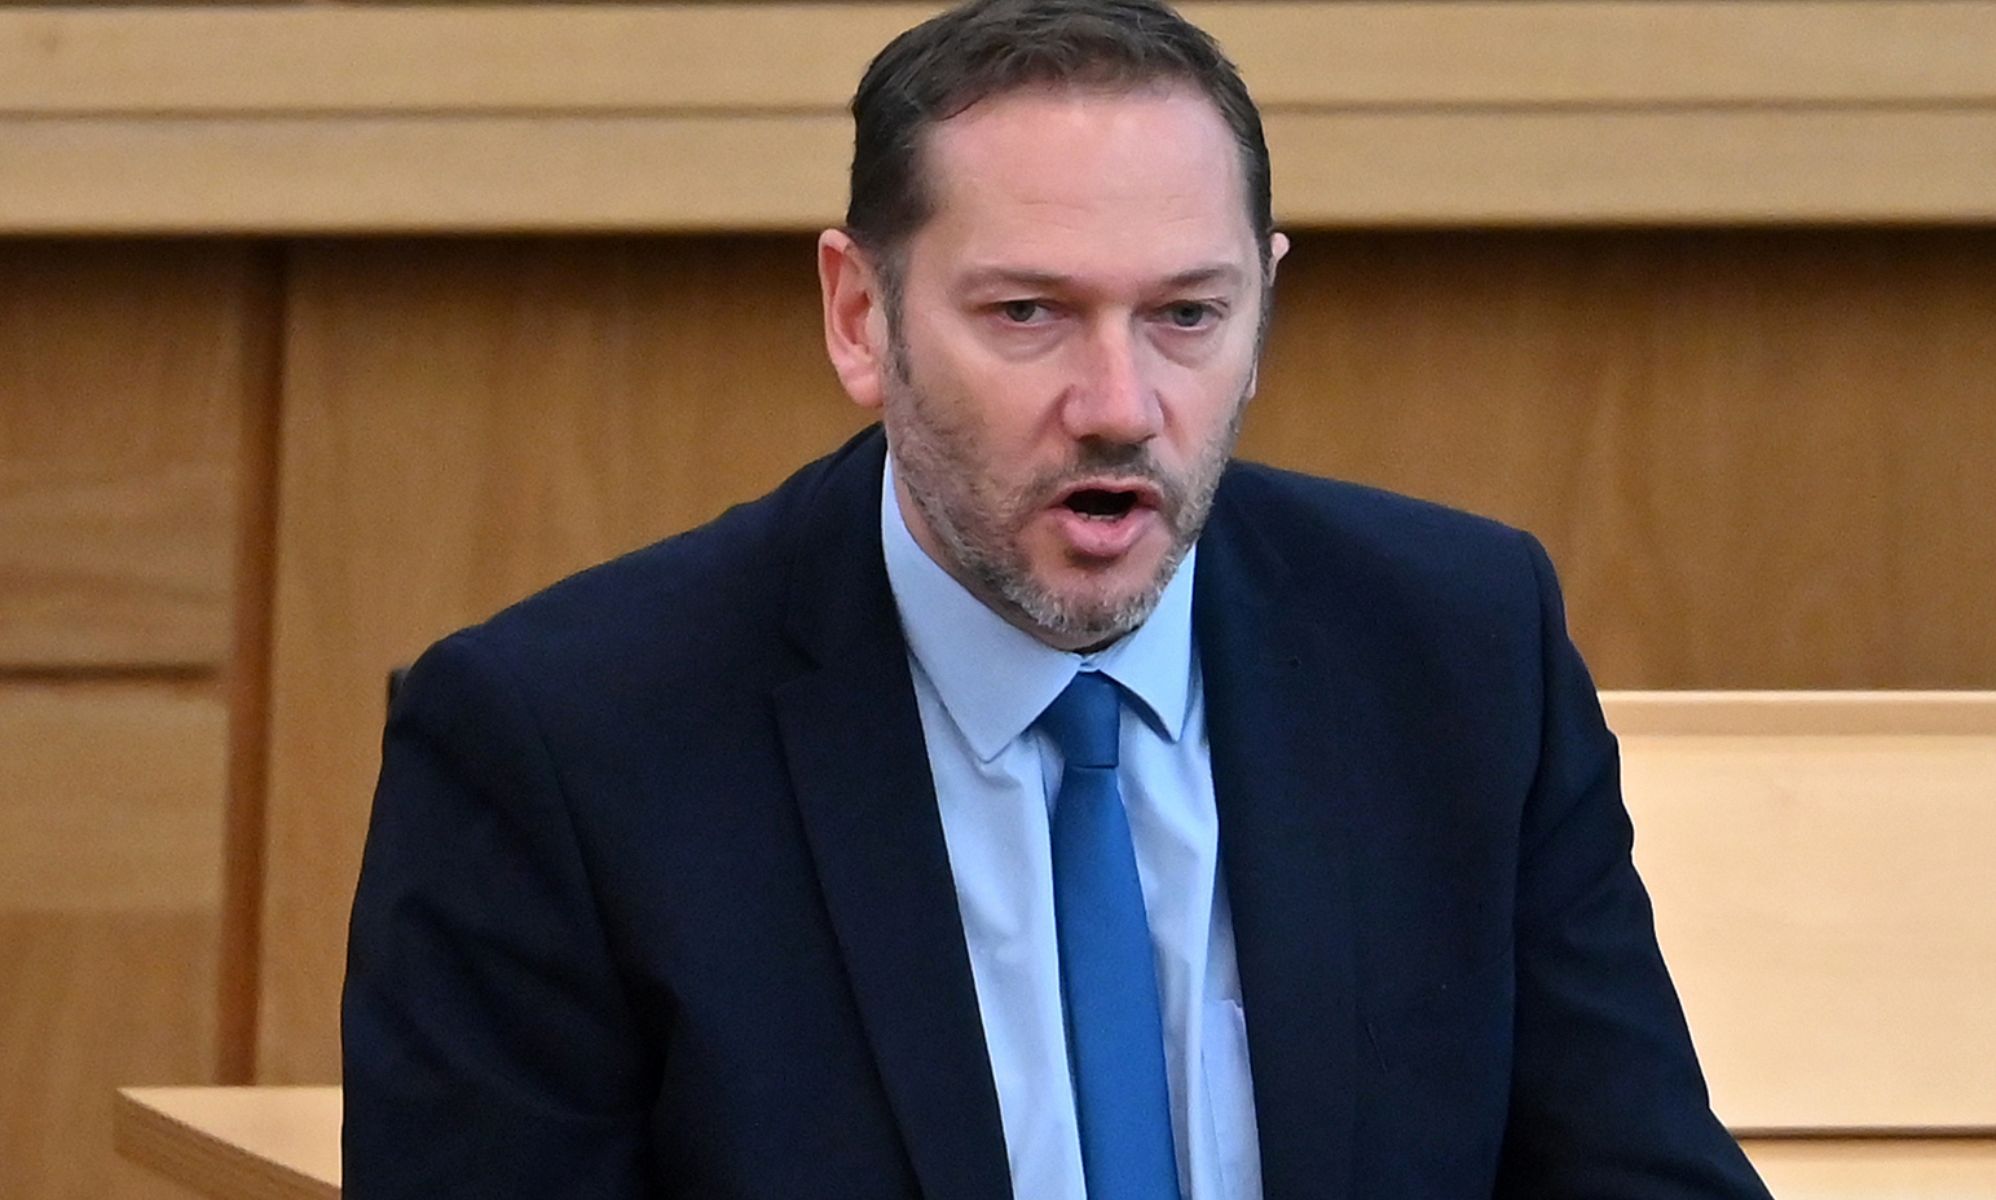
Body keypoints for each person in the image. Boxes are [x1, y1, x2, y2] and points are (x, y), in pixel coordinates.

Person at [341, 0, 1774, 1196]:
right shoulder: (566, 739)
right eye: (1028, 315)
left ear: (1263, 307)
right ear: (861, 316)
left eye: (1187, 316)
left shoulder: (1457, 652)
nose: (1119, 406)